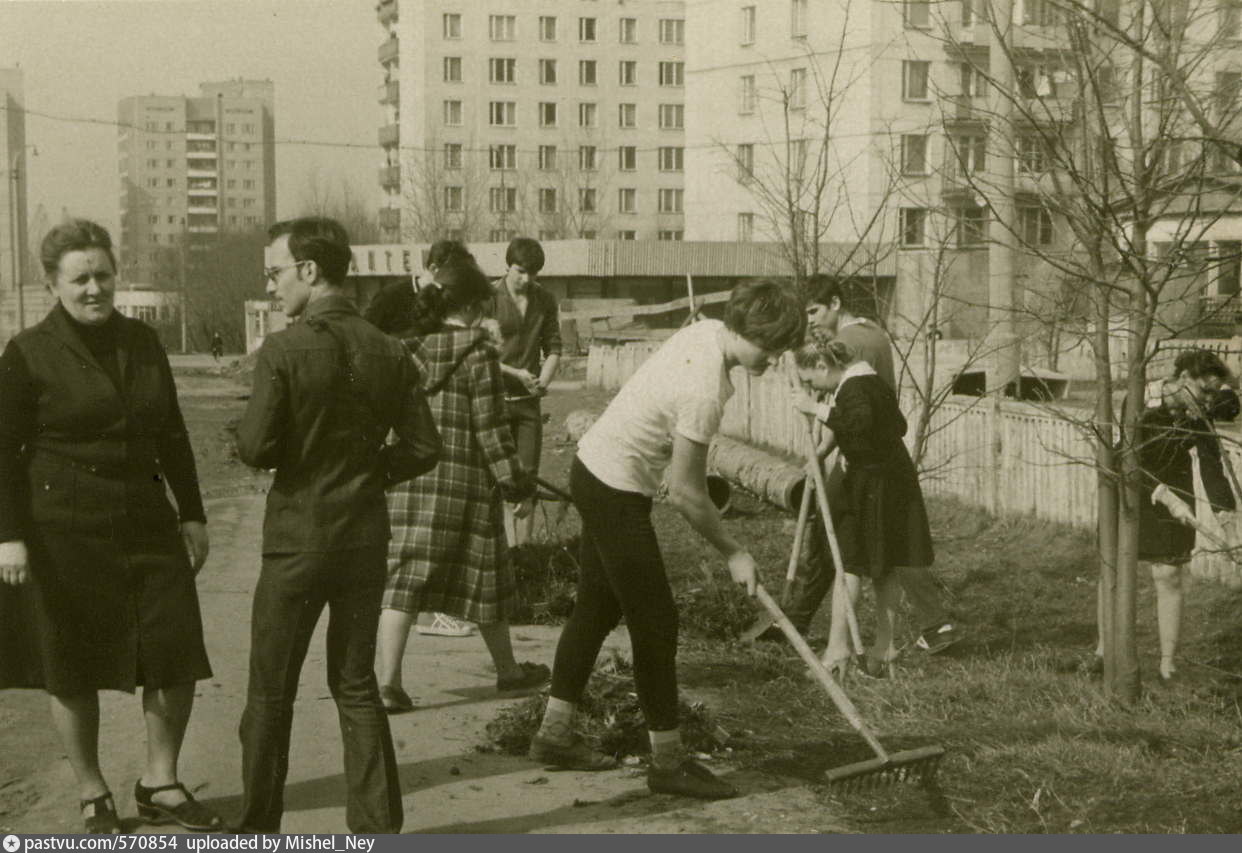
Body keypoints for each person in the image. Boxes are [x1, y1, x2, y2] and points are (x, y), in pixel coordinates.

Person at [527, 280, 805, 799]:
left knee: (596, 607)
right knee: (656, 621)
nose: (774, 359)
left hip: (595, 470)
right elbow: (686, 492)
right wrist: (735, 552)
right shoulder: (704, 391)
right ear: (746, 330)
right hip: (613, 486)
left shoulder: (706, 330)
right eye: (771, 347)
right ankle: (668, 764)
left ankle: (554, 734)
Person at [0, 219, 221, 833]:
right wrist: (7, 536)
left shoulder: (143, 342)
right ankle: (92, 792)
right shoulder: (26, 352)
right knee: (70, 664)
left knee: (174, 651)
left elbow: (172, 433)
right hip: (62, 531)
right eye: (80, 279)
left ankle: (161, 782)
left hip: (147, 522)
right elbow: (2, 453)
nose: (94, 288)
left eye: (102, 275)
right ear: (52, 283)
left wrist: (193, 512)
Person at [234, 217, 441, 833]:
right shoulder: (389, 349)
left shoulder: (283, 349)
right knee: (355, 684)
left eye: (275, 272)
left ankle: (257, 830)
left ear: (309, 270)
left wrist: (286, 449)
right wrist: (370, 472)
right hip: (363, 538)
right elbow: (424, 447)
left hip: (296, 540)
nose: (270, 285)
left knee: (271, 691)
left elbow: (255, 447)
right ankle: (377, 831)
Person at [376, 256, 547, 714]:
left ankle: (388, 685)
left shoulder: (408, 350)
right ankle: (508, 671)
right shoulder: (479, 354)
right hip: (464, 484)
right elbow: (491, 430)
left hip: (409, 482)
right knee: (486, 578)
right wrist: (517, 484)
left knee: (403, 580)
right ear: (472, 306)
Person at [771, 277, 962, 657]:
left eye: (814, 311)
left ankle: (819, 630)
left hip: (867, 465)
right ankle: (909, 630)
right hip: (872, 460)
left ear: (835, 303)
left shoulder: (849, 346)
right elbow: (879, 416)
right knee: (880, 546)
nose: (810, 320)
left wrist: (820, 427)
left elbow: (856, 414)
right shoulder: (872, 335)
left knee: (851, 547)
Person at [790, 340, 936, 678]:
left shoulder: (854, 387)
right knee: (884, 565)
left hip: (875, 484)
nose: (814, 389)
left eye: (811, 381)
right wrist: (833, 450)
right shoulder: (869, 381)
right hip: (886, 481)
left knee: (849, 562)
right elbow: (894, 426)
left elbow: (860, 422)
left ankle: (838, 651)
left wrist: (815, 408)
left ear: (823, 367)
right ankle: (884, 648)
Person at [363, 239, 479, 640]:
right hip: (401, 405)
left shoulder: (447, 315)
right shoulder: (391, 297)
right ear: (431, 268)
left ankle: (412, 615)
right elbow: (367, 345)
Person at [1097, 349, 1235, 683]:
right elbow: (1131, 457)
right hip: (1130, 483)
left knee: (1169, 574)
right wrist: (1166, 499)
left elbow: (1212, 465)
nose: (1208, 400)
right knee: (1113, 568)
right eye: (1204, 391)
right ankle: (1104, 649)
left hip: (1175, 479)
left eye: (1213, 394)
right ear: (1183, 377)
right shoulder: (1141, 399)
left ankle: (1167, 663)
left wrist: (1229, 522)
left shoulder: (1197, 412)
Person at [484, 237, 562, 541]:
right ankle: (505, 551)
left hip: (528, 405)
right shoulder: (489, 297)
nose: (526, 279)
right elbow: (480, 352)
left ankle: (525, 552)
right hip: (494, 402)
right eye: (520, 271)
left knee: (527, 482)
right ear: (507, 266)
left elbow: (554, 347)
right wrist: (516, 373)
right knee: (499, 480)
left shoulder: (545, 299)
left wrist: (544, 381)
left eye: (533, 273)